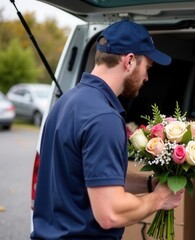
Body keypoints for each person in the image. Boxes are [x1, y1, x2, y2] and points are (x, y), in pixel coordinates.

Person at [30, 20, 183, 239]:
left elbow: (96, 178)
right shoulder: (104, 118)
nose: (147, 77)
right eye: (146, 67)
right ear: (129, 61)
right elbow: (109, 213)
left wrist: (149, 184)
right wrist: (159, 198)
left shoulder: (65, 102)